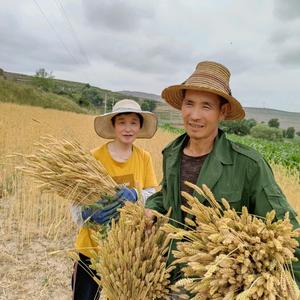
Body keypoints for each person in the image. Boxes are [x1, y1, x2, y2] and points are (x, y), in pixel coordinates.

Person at [145, 61, 300, 287]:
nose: (195, 115)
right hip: (172, 279)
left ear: (223, 112)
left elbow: (287, 232)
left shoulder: (248, 165)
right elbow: (167, 195)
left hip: (220, 287)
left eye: (206, 106)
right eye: (189, 103)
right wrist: (152, 207)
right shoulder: (171, 154)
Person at [71, 99, 158, 300]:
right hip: (90, 249)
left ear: (140, 126)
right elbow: (76, 200)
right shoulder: (94, 157)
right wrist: (88, 214)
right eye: (122, 122)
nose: (128, 128)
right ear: (113, 125)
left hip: (126, 251)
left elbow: (153, 195)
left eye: (133, 122)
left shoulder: (143, 157)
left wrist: (136, 195)